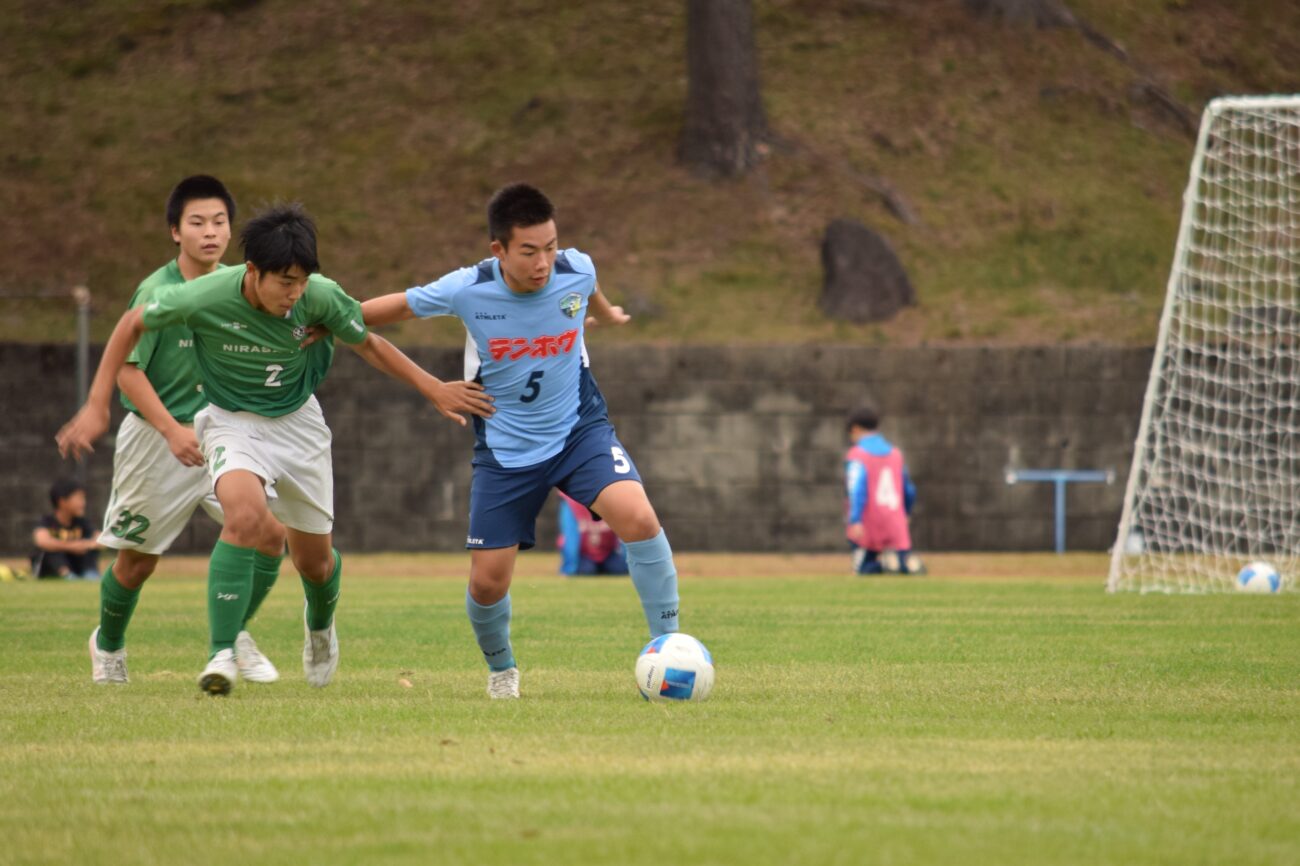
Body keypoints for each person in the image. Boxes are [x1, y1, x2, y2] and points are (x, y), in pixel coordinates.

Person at [57, 203, 492, 696]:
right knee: (245, 518)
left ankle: (321, 625)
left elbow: (367, 342)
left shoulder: (320, 296)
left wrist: (432, 386)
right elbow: (132, 324)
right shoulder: (204, 297)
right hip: (230, 421)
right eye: (285, 281)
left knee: (315, 563)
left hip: (298, 423)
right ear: (252, 272)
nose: (295, 292)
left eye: (302, 280)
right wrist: (96, 404)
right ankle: (222, 653)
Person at [360, 183, 682, 699]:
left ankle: (669, 647)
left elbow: (588, 286)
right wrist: (324, 318)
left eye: (551, 247)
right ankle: (502, 669)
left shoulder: (576, 268)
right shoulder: (467, 288)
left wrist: (607, 312)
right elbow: (384, 312)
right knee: (488, 582)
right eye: (529, 251)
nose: (544, 262)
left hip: (580, 431)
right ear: (499, 250)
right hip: (506, 452)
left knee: (640, 518)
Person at [87, 175, 288, 686]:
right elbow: (128, 370)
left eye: (219, 221)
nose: (210, 232)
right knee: (137, 563)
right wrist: (172, 430)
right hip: (157, 440)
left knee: (269, 534)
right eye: (197, 222)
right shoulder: (158, 292)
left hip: (221, 434)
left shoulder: (239, 286)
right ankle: (107, 645)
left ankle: (234, 638)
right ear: (175, 231)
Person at [844, 406, 921, 575]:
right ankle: (904, 563)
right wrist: (906, 512)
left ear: (855, 429)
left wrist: (855, 519)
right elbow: (909, 489)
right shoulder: (895, 454)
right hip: (895, 522)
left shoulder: (857, 455)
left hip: (870, 523)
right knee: (901, 563)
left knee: (864, 569)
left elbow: (857, 489)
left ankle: (883, 564)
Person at [31, 478, 102, 580]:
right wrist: (72, 546)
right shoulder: (47, 521)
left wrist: (86, 544)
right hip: (53, 569)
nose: (83, 503)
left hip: (76, 566)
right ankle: (67, 576)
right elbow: (41, 541)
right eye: (79, 499)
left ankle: (90, 574)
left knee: (89, 549)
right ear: (62, 501)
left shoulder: (82, 522)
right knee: (52, 550)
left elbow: (100, 539)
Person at [556, 491, 628, 577]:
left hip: (607, 553)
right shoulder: (571, 505)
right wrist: (569, 568)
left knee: (619, 569)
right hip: (584, 554)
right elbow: (570, 538)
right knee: (587, 570)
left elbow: (624, 534)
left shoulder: (614, 502)